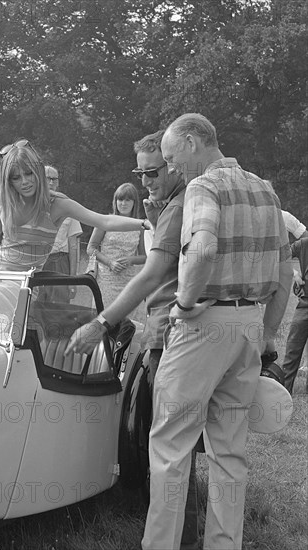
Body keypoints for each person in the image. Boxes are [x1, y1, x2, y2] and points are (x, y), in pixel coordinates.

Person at [139, 113, 291, 550]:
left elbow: (202, 247)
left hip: (203, 324)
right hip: (248, 326)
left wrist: (184, 304)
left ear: (191, 142)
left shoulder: (204, 186)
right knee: (229, 451)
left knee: (170, 445)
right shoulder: (265, 189)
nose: (171, 167)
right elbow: (284, 272)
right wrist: (269, 332)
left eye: (170, 157)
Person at [65, 129, 199, 549]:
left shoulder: (178, 206)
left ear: (174, 163)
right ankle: (186, 532)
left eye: (153, 171)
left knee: (169, 444)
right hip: (167, 325)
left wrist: (101, 323)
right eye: (139, 174)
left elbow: (155, 272)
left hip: (170, 328)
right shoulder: (167, 204)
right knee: (174, 442)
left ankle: (178, 537)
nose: (146, 182)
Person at [0, 139, 149, 326]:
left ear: (38, 171)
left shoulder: (56, 203)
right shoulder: (2, 200)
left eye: (29, 173)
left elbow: (104, 220)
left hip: (17, 285)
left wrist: (145, 223)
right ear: (8, 180)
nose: (25, 181)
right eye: (16, 177)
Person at [87, 182, 146, 319]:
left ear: (134, 202)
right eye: (120, 199)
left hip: (128, 281)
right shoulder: (105, 221)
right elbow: (91, 248)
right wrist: (109, 262)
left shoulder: (139, 226)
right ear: (115, 201)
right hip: (106, 279)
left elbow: (145, 256)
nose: (123, 203)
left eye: (127, 200)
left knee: (126, 323)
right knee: (103, 319)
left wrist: (131, 260)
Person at [39, 165, 83, 303]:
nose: (51, 183)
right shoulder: (30, 205)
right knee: (33, 306)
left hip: (59, 262)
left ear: (58, 183)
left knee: (59, 308)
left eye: (54, 179)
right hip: (36, 261)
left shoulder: (67, 206)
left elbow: (74, 245)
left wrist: (72, 279)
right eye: (47, 179)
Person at [281, 236, 308, 393]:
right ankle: (284, 393)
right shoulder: (303, 244)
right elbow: (280, 256)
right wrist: (294, 273)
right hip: (304, 304)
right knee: (292, 351)